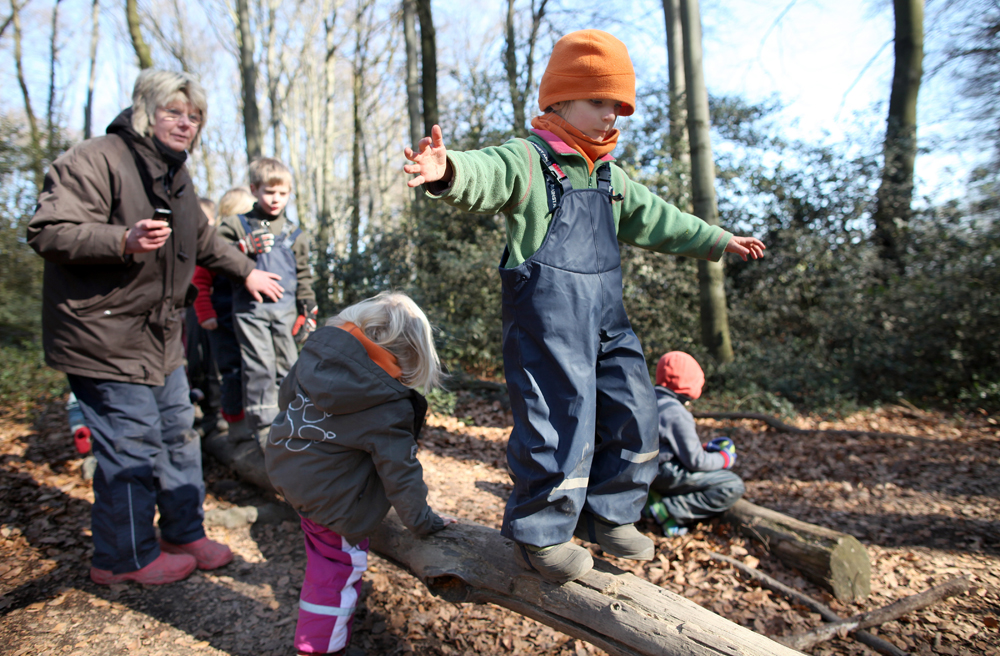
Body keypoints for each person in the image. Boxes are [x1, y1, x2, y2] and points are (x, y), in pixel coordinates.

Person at [403, 29, 764, 583]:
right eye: (599, 102)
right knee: (560, 420)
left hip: (606, 320)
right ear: (560, 100)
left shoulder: (610, 177)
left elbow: (662, 219)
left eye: (618, 106)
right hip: (547, 324)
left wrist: (717, 240)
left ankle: (608, 514)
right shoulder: (529, 161)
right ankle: (540, 536)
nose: (610, 116)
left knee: (636, 404)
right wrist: (447, 170)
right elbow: (484, 174)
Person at [27, 69, 284, 586]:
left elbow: (205, 241)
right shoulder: (96, 159)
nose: (185, 123)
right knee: (130, 445)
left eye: (194, 116)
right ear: (146, 110)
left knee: (177, 435)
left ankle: (182, 531)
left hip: (161, 337)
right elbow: (48, 230)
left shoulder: (177, 175)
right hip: (102, 336)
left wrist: (247, 269)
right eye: (174, 112)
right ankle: (123, 557)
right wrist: (121, 239)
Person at [264, 292, 455, 656]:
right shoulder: (389, 405)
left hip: (289, 469)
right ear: (409, 357)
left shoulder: (314, 355)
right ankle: (318, 648)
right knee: (338, 569)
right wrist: (423, 522)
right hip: (331, 499)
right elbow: (402, 474)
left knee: (321, 545)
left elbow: (285, 400)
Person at [218, 159, 317, 445]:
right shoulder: (236, 225)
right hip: (250, 311)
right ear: (254, 190)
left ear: (290, 194)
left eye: (282, 193)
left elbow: (304, 274)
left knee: (288, 364)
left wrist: (307, 307)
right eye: (269, 192)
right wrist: (242, 249)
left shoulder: (296, 234)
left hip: (285, 312)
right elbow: (213, 253)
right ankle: (264, 428)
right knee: (259, 365)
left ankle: (293, 419)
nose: (276, 199)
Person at [643, 352, 745, 537]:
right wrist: (724, 458)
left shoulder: (646, 400)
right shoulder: (676, 412)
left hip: (643, 471)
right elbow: (696, 461)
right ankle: (670, 509)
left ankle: (653, 496)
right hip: (665, 474)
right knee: (732, 484)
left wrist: (703, 448)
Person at [191, 187, 257, 439]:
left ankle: (259, 419)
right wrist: (205, 313)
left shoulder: (253, 242)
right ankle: (236, 424)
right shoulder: (216, 245)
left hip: (251, 318)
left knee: (256, 368)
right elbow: (200, 281)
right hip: (223, 320)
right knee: (231, 370)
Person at [186, 197, 224, 438]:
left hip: (214, 310)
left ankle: (217, 412)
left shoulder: (215, 244)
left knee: (215, 361)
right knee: (196, 355)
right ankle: (206, 410)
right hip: (193, 309)